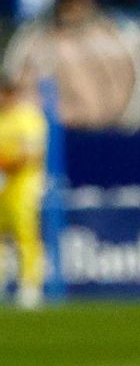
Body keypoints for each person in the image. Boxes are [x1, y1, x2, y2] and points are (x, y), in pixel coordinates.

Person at [0, 75, 47, 309]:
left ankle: (30, 286)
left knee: (25, 234)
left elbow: (31, 154)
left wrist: (6, 163)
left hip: (23, 185)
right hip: (2, 185)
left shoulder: (28, 118)